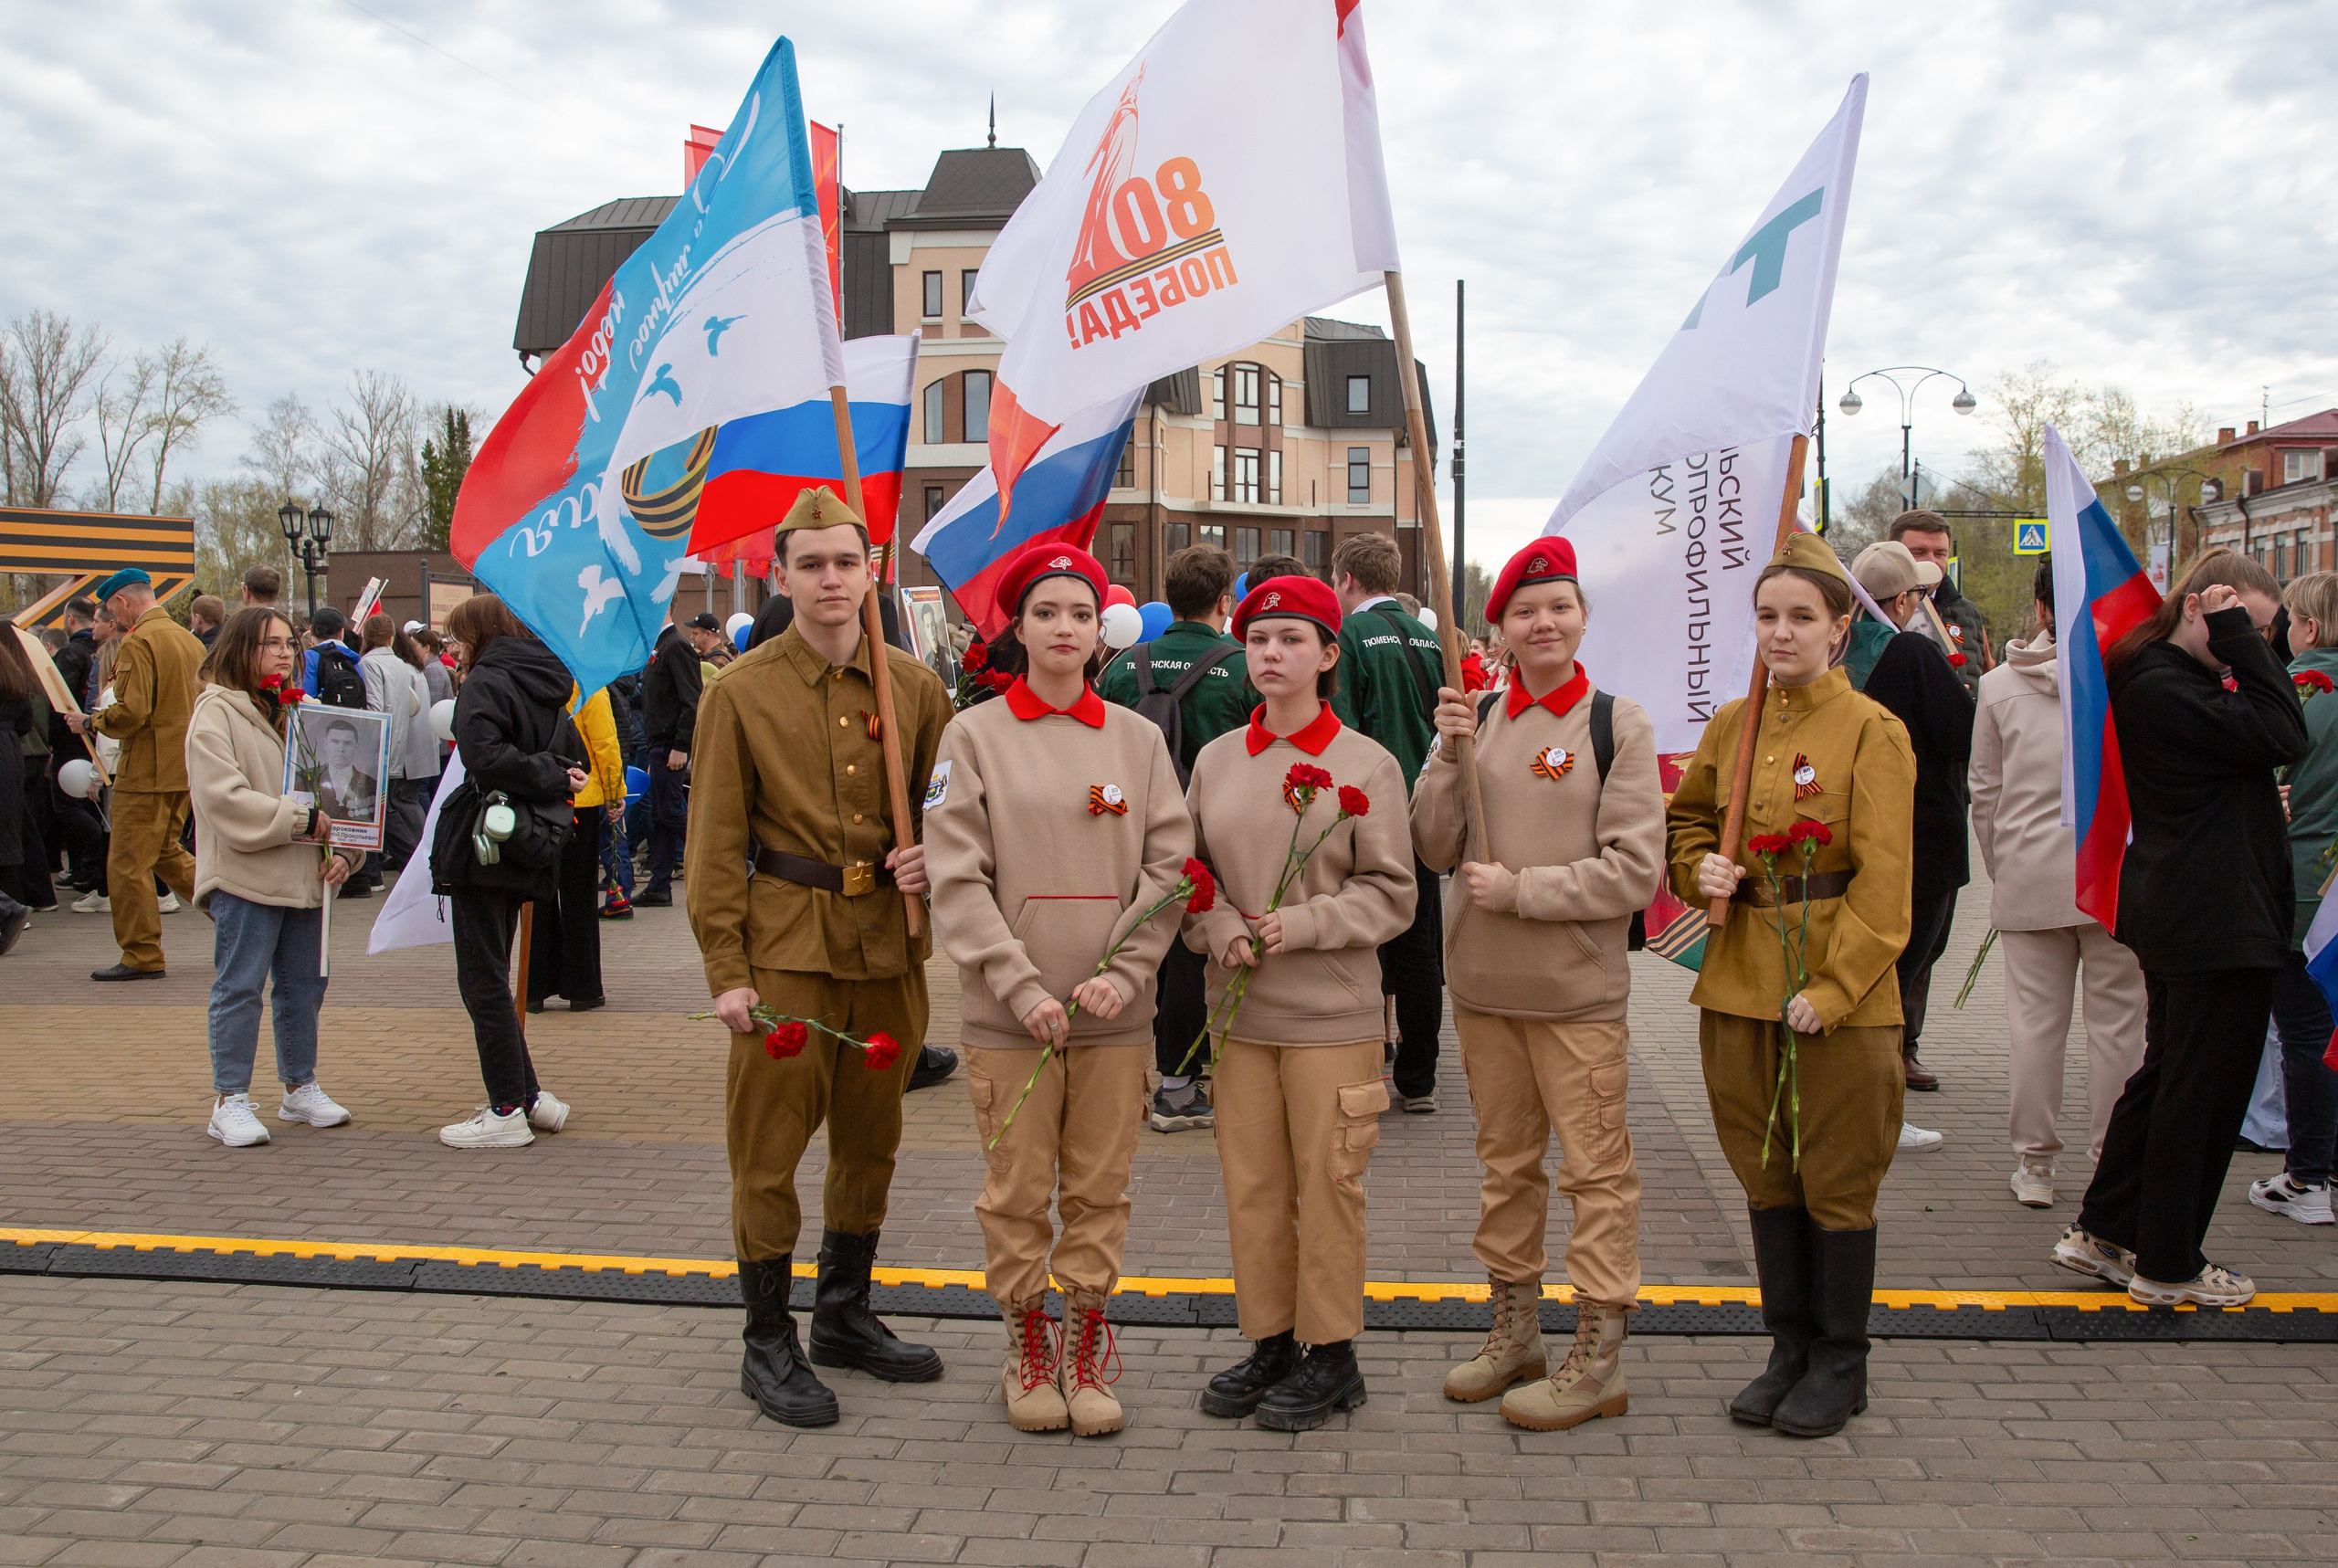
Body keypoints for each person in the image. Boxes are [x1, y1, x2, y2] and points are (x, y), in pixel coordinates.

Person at [686, 486, 952, 1430]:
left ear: (871, 571)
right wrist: (727, 969)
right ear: (782, 573)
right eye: (812, 564)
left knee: (871, 1144)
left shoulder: (915, 689)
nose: (831, 579)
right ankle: (767, 1338)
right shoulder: (741, 693)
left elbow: (946, 813)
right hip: (787, 949)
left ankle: (842, 1312)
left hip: (888, 949)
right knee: (767, 1154)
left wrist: (934, 850)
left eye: (846, 561)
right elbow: (713, 846)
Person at [928, 542, 1194, 1437]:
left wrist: (1125, 971)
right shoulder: (971, 737)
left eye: (1080, 613)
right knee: (1015, 1187)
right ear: (1018, 626)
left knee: (1099, 1188)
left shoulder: (1138, 739)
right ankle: (1025, 1346)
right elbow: (955, 874)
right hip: (1011, 1017)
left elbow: (1168, 870)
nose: (1064, 628)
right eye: (1046, 612)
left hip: (1116, 1015)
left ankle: (1083, 1345)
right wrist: (1015, 980)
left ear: (1099, 629)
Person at [1667, 532, 1915, 1439]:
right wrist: (1700, 871)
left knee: (1835, 1178)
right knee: (1767, 1174)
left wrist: (1840, 985)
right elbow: (1687, 820)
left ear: (1840, 627)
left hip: (1832, 993)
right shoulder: (1733, 724)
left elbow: (1888, 886)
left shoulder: (1872, 732)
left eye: (1800, 617)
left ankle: (1841, 1362)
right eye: (1767, 616)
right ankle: (1787, 1347)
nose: (1780, 632)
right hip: (1737, 981)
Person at [1412, 538, 1664, 1431]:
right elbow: (1433, 846)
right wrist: (1446, 755)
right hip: (1483, 991)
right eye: (1524, 610)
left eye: (1558, 605)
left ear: (1581, 617)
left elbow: (1634, 871)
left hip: (1574, 995)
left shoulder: (1614, 723)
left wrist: (1523, 891)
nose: (1542, 622)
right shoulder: (1476, 718)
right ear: (1501, 627)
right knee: (1504, 1170)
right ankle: (1514, 1331)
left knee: (1595, 1175)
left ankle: (1597, 1356)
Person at [1184, 574, 1416, 1432]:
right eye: (1257, 639)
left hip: (1331, 1013)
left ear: (1328, 654)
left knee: (1328, 1185)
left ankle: (1334, 1351)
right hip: (1240, 1016)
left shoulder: (1367, 763)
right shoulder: (1214, 761)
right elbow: (1187, 873)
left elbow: (1395, 893)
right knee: (1252, 1184)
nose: (1271, 653)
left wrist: (1306, 922)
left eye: (1291, 638)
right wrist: (1212, 924)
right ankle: (1271, 1337)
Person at [2057, 551, 2304, 1304]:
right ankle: (2169, 1261)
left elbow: (2253, 745)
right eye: (2249, 630)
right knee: (2203, 1089)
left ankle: (2108, 1229)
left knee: (2169, 1074)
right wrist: (2240, 638)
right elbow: (2287, 733)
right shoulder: (2164, 683)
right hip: (2213, 916)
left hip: (2201, 907)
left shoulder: (2167, 679)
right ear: (2200, 609)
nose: (2258, 648)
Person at [1968, 558, 2147, 1208]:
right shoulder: (2132, 681)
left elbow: (1983, 792)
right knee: (2120, 1027)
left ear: (2042, 608)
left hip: (2029, 873)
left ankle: (2035, 1166)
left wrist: (2002, 862)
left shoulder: (1996, 688)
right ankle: (2112, 1157)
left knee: (2034, 1025)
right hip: (2115, 874)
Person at [186, 606, 363, 1146]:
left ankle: (299, 1085)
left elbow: (343, 798)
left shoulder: (305, 710)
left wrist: (347, 855)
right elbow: (222, 797)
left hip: (307, 876)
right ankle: (229, 1097)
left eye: (291, 642)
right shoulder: (215, 713)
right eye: (271, 644)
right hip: (247, 874)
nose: (286, 653)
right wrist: (297, 820)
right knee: (240, 986)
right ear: (242, 648)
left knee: (304, 986)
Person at [1096, 542, 1251, 1134]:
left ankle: (1142, 1066)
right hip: (1211, 834)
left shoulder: (1122, 665)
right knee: (1193, 955)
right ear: (1222, 600)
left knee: (1141, 945)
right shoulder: (1242, 665)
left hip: (1129, 830)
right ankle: (1180, 1084)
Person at [427, 595, 585, 1150]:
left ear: (479, 635)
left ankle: (506, 1109)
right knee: (494, 975)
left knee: (484, 982)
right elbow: (577, 761)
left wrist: (542, 772)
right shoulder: (547, 680)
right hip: (531, 844)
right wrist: (557, 774)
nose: (454, 648)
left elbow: (483, 757)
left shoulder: (486, 682)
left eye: (458, 637)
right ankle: (531, 1097)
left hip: (486, 844)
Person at [1849, 541, 1974, 1102]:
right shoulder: (1912, 655)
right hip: (1923, 839)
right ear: (1902, 601)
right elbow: (1963, 734)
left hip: (1858, 837)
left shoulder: (1837, 653)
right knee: (1903, 969)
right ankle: (1876, 1103)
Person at [1327, 531, 1448, 1112]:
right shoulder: (1431, 636)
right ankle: (1420, 1076)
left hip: (1371, 809)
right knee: (1421, 945)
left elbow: (1343, 728)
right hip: (1423, 811)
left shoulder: (1348, 635)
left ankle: (1368, 1059)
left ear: (1347, 581)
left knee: (1369, 936)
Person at [65, 569, 205, 981]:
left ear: (123, 603)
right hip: (183, 766)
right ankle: (241, 911)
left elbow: (131, 713)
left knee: (126, 865)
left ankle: (142, 955)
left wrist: (92, 722)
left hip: (146, 772)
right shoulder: (187, 639)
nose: (111, 617)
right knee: (165, 854)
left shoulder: (139, 641)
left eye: (110, 609)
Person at [2249, 571, 2338, 1222]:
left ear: (2305, 626)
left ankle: (2308, 1177)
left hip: (2300, 884)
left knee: (2303, 1033)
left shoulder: (2296, 693)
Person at [528, 679, 625, 1014]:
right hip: (581, 798)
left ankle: (532, 988)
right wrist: (615, 792)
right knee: (579, 895)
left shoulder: (526, 681)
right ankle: (582, 987)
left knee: (537, 894)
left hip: (537, 796)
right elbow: (604, 743)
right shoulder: (587, 685)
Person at [637, 603, 712, 906]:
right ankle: (659, 883)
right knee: (661, 816)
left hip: (671, 747)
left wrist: (681, 745)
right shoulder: (662, 646)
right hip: (660, 746)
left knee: (671, 813)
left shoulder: (676, 646)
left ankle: (721, 857)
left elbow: (692, 701)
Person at [1891, 510, 1990, 695]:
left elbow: (1981, 676)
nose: (1932, 561)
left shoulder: (1967, 611)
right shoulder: (1874, 608)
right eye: (1919, 552)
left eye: (1940, 553)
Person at [0, 622, 49, 921]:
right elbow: (25, 721)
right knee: (11, 829)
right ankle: (15, 903)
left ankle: (9, 911)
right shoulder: (16, 676)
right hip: (11, 753)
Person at [384, 627, 444, 869]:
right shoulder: (416, 670)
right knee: (408, 801)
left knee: (404, 802)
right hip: (421, 748)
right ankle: (424, 849)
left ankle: (422, 851)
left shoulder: (405, 671)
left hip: (409, 750)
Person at [303, 608, 366, 710]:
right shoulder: (353, 658)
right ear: (341, 633)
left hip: (321, 722)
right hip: (351, 722)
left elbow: (305, 697)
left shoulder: (309, 657)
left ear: (311, 631)